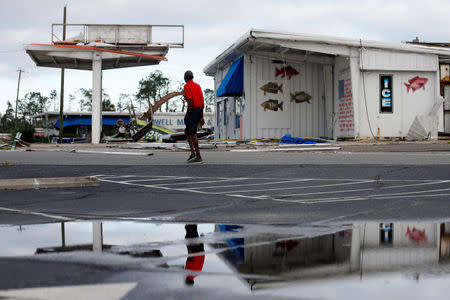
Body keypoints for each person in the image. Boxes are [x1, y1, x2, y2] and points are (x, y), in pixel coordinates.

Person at [183, 70, 205, 163]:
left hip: (193, 109)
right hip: (199, 109)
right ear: (193, 77)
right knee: (187, 131)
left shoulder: (187, 86)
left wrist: (188, 113)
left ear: (185, 78)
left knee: (192, 133)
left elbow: (191, 101)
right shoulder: (198, 86)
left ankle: (198, 156)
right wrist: (201, 116)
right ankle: (193, 153)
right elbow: (202, 101)